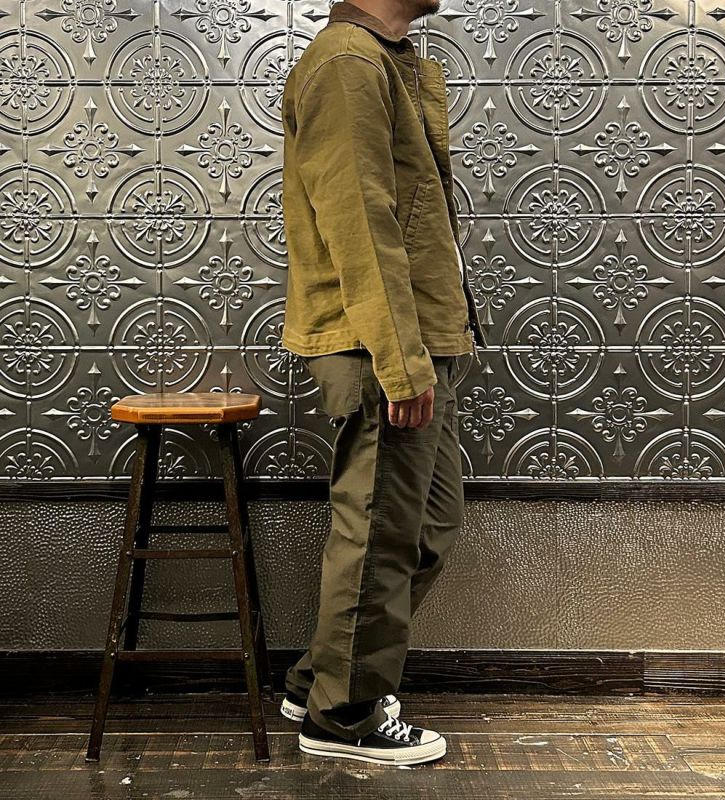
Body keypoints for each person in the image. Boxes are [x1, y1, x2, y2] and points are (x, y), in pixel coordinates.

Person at [279, 0, 487, 767]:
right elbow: (359, 222)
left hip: (419, 339)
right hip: (381, 347)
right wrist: (399, 362)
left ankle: (319, 681)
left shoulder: (382, 61)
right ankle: (343, 716)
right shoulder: (347, 63)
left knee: (425, 526)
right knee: (376, 534)